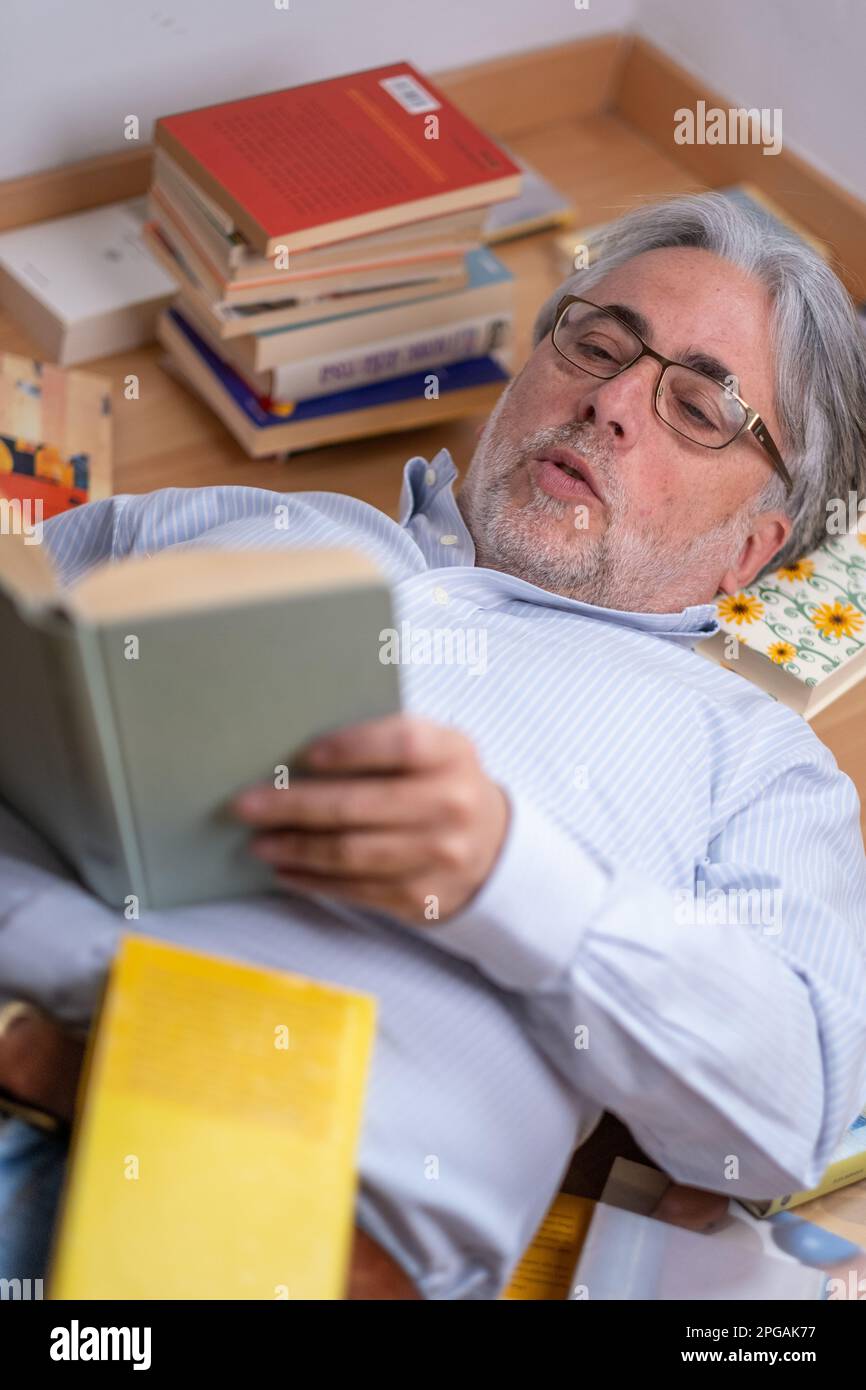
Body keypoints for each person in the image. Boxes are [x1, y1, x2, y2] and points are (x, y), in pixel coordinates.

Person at [2, 192, 866, 1300]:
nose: (608, 400)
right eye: (595, 343)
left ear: (749, 548)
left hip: (245, 1235)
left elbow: (780, 1115)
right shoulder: (233, 523)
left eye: (697, 406)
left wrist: (506, 879)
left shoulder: (753, 755)